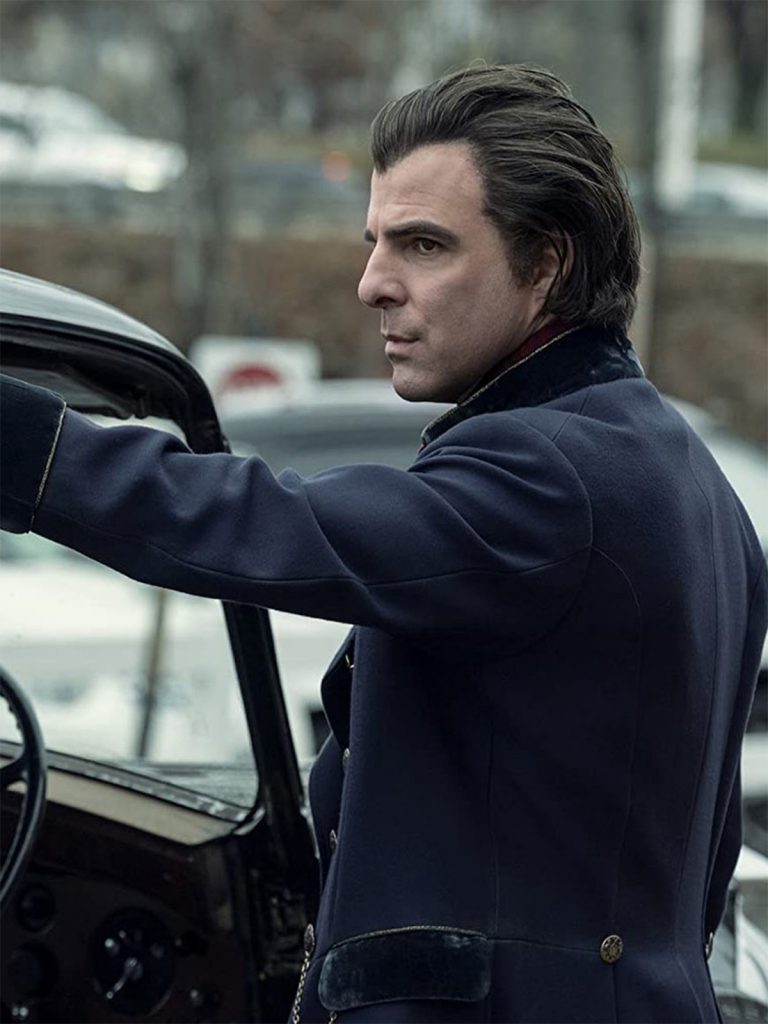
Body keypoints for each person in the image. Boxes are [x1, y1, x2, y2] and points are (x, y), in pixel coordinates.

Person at [1, 65, 765, 1024]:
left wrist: (23, 445)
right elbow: (700, 867)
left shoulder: (550, 475)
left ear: (546, 266)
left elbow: (267, 525)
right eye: (376, 243)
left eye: (424, 245)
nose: (373, 285)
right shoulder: (692, 480)